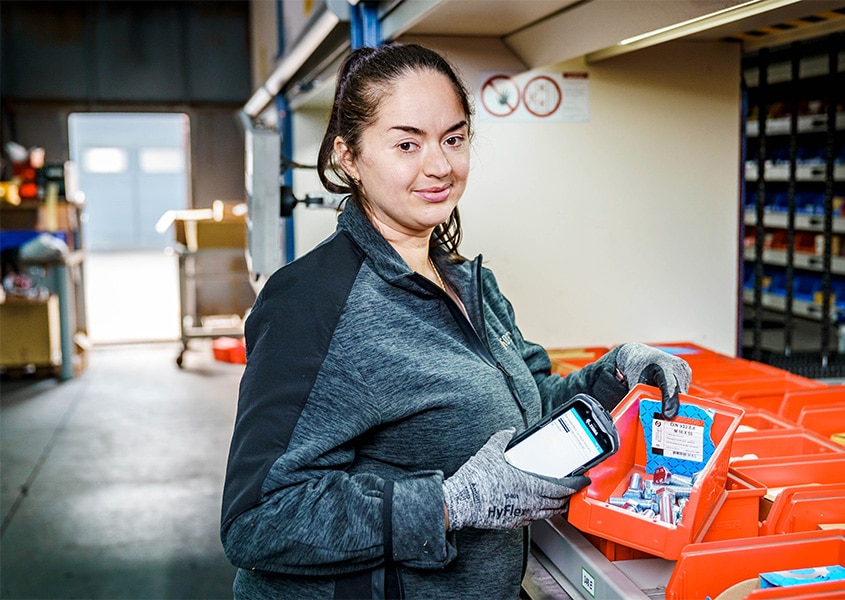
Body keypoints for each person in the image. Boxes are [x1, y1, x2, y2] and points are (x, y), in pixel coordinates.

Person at [220, 42, 691, 600]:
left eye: (453, 138)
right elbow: (259, 518)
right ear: (349, 157)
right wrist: (450, 504)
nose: (440, 166)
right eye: (407, 144)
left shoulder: (466, 281)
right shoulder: (311, 302)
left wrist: (615, 375)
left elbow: (528, 407)